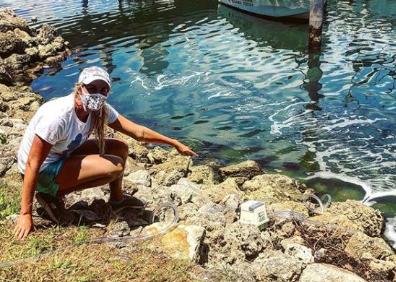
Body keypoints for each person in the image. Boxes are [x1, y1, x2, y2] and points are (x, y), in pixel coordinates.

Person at [14, 66, 198, 240]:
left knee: (120, 148)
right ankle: (50, 194)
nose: (98, 94)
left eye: (103, 90)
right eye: (92, 88)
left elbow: (138, 133)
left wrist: (174, 143)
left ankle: (117, 199)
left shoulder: (98, 110)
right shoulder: (58, 116)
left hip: (61, 154)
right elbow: (32, 163)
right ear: (80, 88)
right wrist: (25, 213)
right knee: (113, 167)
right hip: (41, 172)